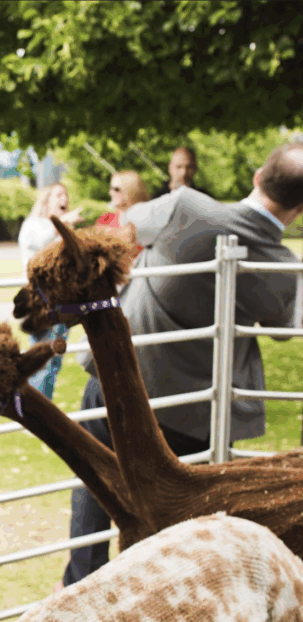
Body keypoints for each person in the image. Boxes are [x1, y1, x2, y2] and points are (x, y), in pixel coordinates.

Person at [61, 143, 303, 589]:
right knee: (170, 521)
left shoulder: (184, 206)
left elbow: (114, 228)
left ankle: (81, 586)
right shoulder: (281, 267)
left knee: (94, 485)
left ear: (256, 176)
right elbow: (284, 330)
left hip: (118, 379)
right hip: (193, 414)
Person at [17, 183, 84, 398]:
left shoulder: (61, 230)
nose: (64, 198)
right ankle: (36, 412)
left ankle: (45, 408)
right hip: (41, 302)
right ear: (46, 200)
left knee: (55, 360)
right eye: (59, 195)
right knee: (41, 360)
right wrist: (63, 223)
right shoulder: (34, 225)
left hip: (62, 301)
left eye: (66, 194)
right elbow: (41, 241)